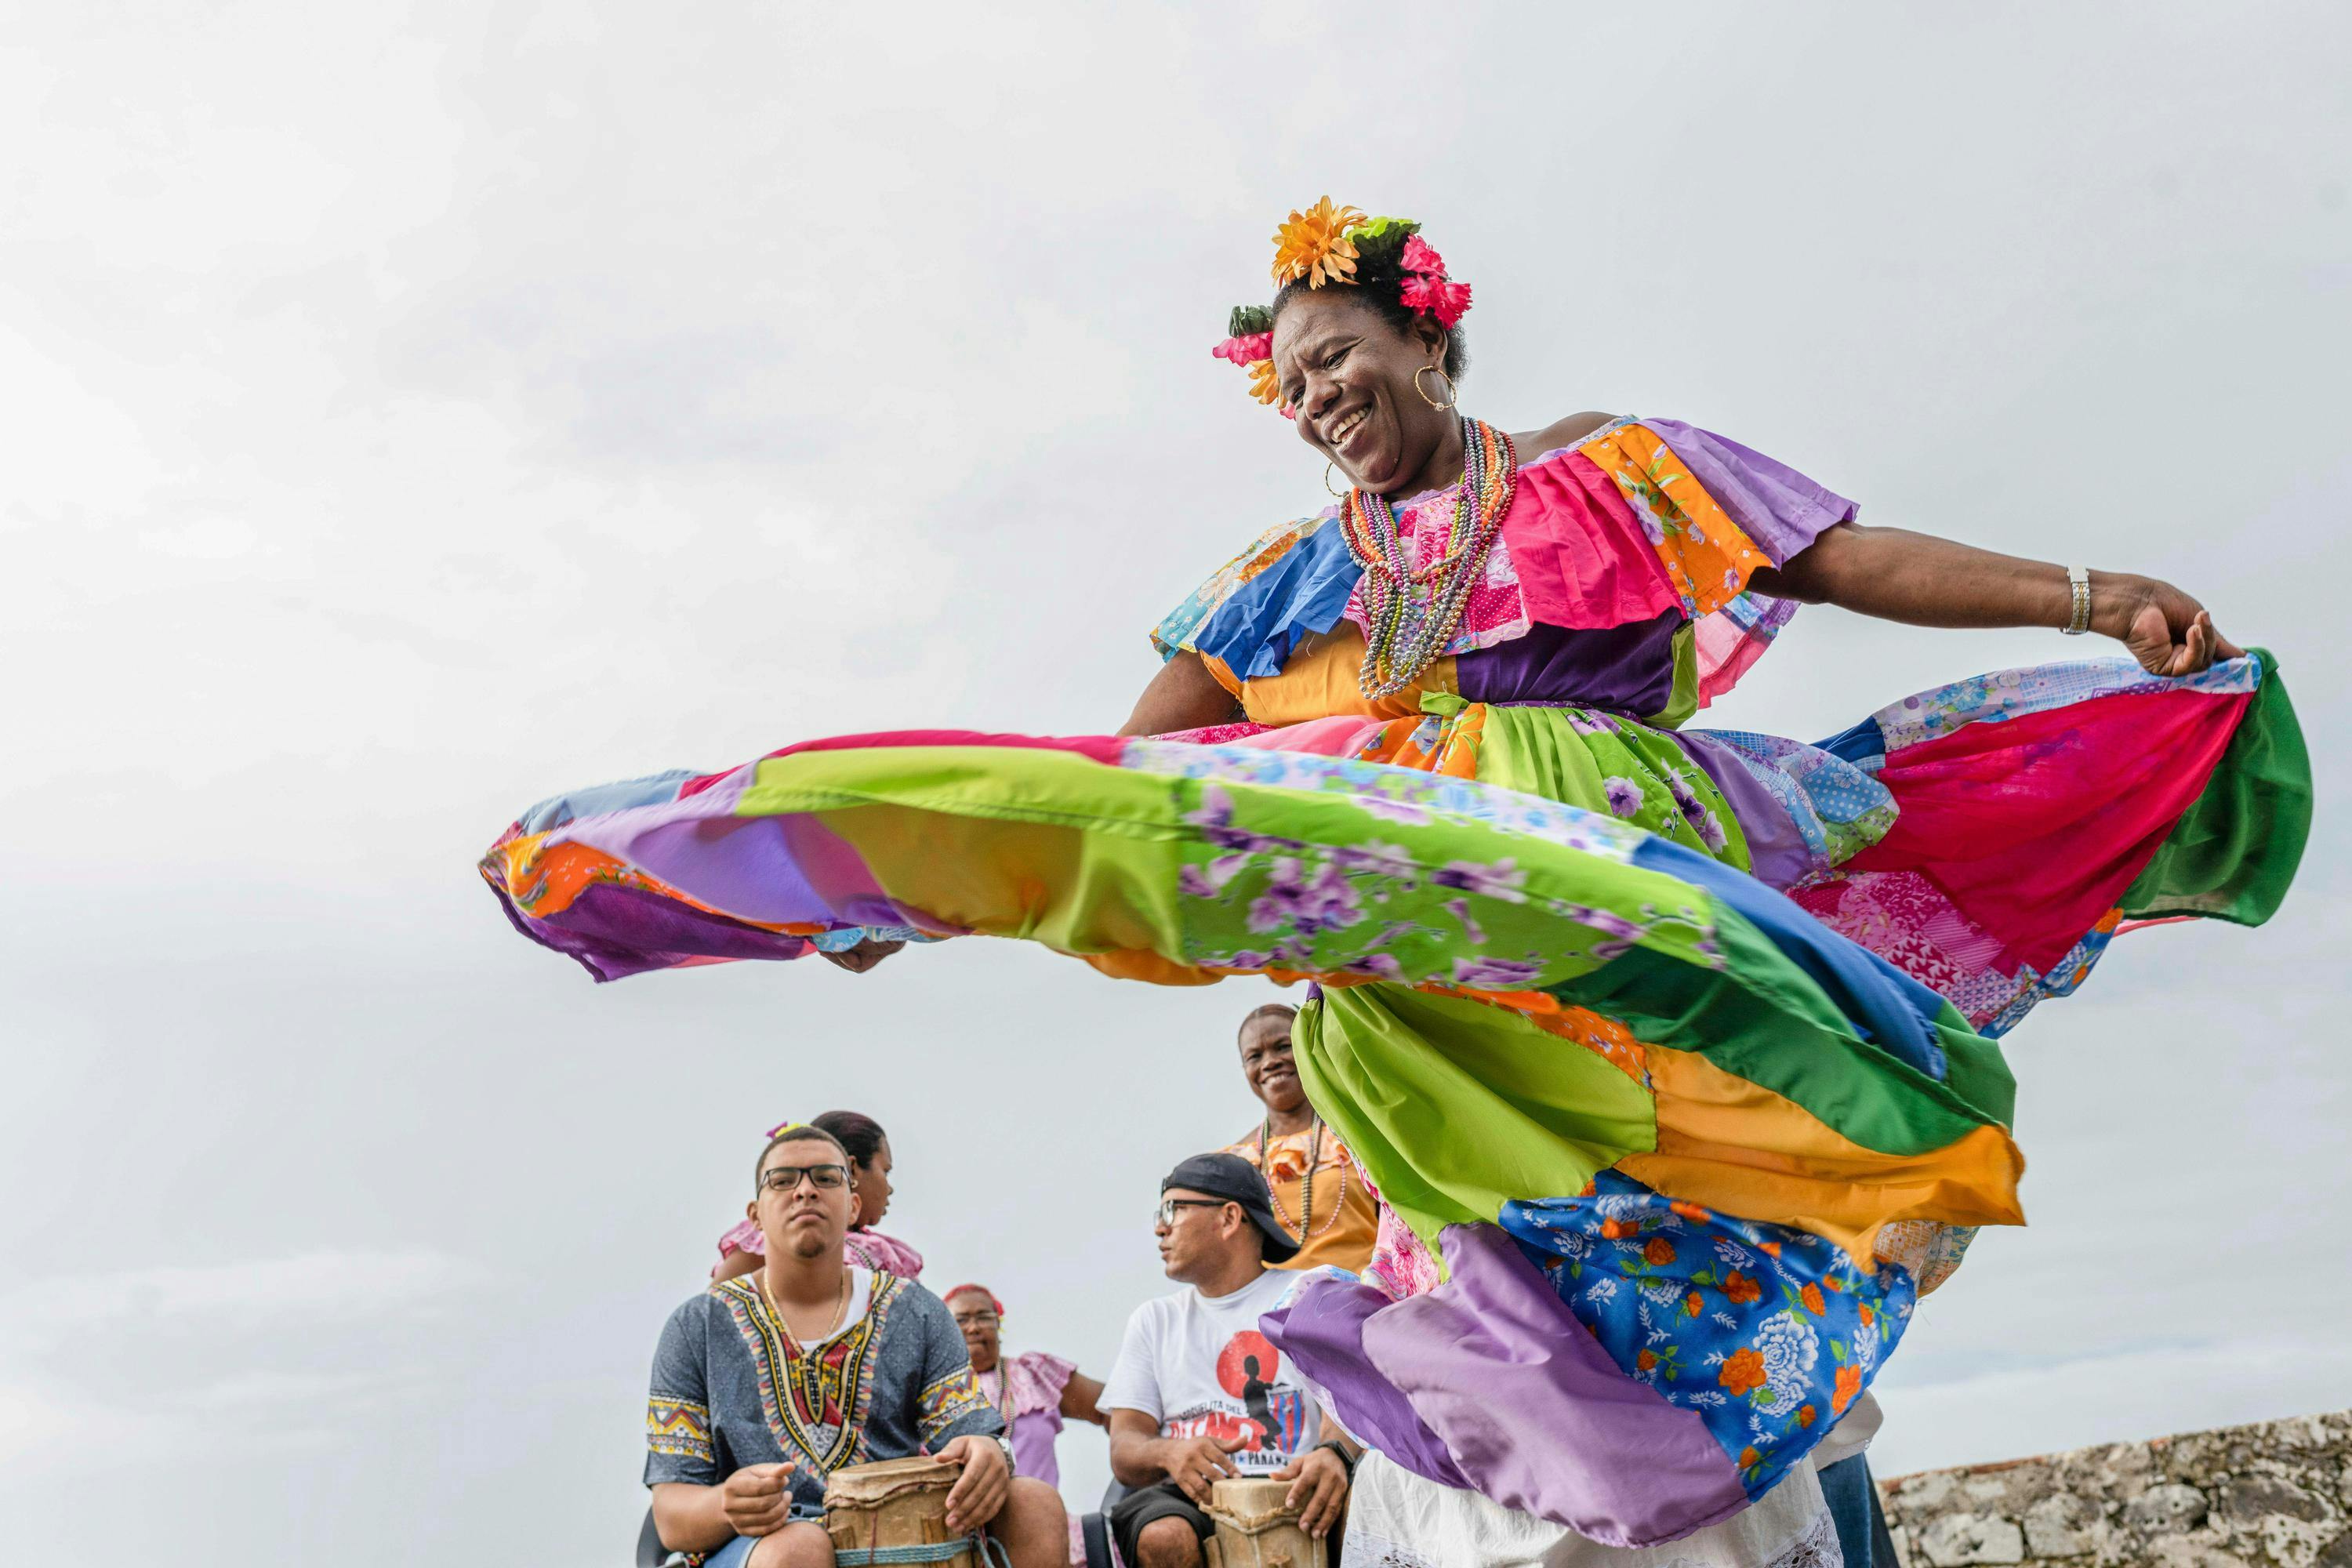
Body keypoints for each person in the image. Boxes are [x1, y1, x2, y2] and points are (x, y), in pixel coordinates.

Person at [487, 197, 2308, 1553]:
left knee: (1714, 1192)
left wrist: (2083, 595)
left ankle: (1731, 1439)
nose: (1314, 398)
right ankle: (1554, 1468)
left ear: (1429, 340)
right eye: (1287, 387)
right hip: (1413, 936)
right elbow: (1115, 794)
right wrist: (896, 879)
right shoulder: (1282, 578)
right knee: (1479, 1258)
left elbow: (1844, 559)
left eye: (1337, 359)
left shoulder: (1608, 471)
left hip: (1628, 884)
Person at [644, 1123, 1068, 1568]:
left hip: (904, 1525)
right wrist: (726, 1505)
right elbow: (673, 1519)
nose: (805, 1191)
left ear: (853, 1206)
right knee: (800, 1548)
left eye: (825, 1178)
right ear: (755, 1216)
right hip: (764, 1548)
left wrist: (987, 1452)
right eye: (783, 1180)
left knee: (1034, 1503)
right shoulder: (697, 1327)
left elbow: (966, 1431)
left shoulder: (914, 1311)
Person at [1101, 1154, 1357, 1568]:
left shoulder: (1307, 1293)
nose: (1159, 1227)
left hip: (1295, 1482)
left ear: (1229, 1218)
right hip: (1187, 1495)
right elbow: (1125, 1448)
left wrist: (1332, 1452)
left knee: (1358, 1509)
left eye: (1173, 1209)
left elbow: (1347, 1397)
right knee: (1163, 1535)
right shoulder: (1154, 1320)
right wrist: (1171, 1454)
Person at [1221, 1003, 1377, 1273]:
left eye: (1283, 1046)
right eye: (1254, 1056)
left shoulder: (1358, 1135)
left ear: (1306, 1047)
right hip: (1273, 1312)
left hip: (1364, 1303)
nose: (1270, 1062)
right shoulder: (1232, 1163)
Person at [716, 1111, 924, 1283]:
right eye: (885, 1171)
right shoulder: (768, 1239)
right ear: (851, 1169)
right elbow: (710, 1320)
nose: (889, 1188)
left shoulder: (887, 1257)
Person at [942, 1283, 1109, 1493]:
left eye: (984, 1317)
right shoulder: (932, 1393)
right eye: (961, 1320)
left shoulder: (1035, 1373)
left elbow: (1116, 1407)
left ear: (998, 1325)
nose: (974, 1328)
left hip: (1043, 1520)